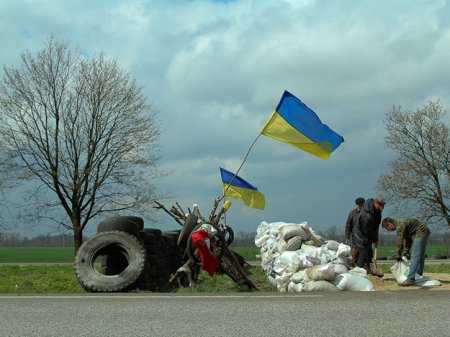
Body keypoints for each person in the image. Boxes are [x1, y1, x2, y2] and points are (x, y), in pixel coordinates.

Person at [381, 217, 431, 286]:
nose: (388, 231)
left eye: (387, 229)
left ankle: (410, 279)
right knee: (420, 256)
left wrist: (398, 255)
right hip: (425, 231)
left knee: (415, 256)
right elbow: (409, 240)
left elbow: (400, 242)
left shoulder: (400, 226)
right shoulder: (402, 225)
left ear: (389, 224)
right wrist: (406, 252)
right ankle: (418, 276)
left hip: (420, 232)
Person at [352, 195, 386, 275]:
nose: (381, 207)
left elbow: (376, 226)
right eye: (380, 205)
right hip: (360, 235)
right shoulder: (367, 215)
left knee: (369, 253)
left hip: (368, 234)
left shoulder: (377, 212)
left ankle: (368, 270)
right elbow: (366, 230)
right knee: (364, 253)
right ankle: (357, 272)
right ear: (375, 203)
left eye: (382, 206)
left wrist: (376, 237)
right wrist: (374, 238)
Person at [344, 197, 365, 264]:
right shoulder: (352, 213)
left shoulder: (367, 213)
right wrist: (347, 237)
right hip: (355, 239)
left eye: (361, 204)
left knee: (364, 255)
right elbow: (348, 225)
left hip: (365, 238)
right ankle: (352, 267)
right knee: (354, 255)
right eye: (358, 204)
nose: (360, 206)